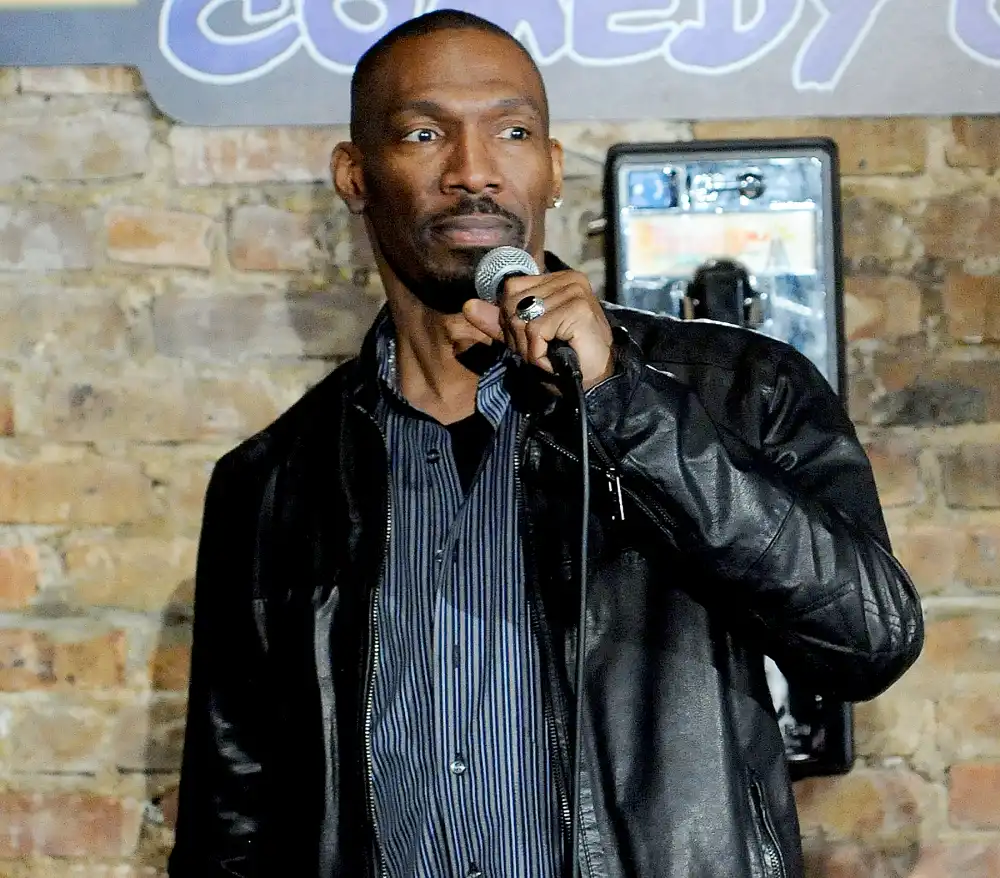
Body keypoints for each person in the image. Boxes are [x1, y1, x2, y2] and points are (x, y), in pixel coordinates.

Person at [168, 10, 924, 878]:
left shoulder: (739, 389)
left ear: (554, 169)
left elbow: (870, 640)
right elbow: (234, 817)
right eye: (424, 133)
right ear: (354, 174)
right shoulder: (271, 483)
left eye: (513, 131)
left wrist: (620, 406)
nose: (474, 171)